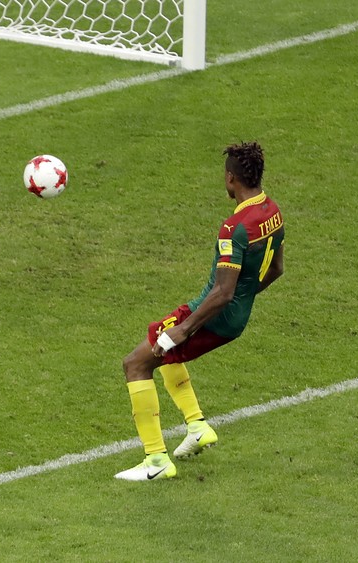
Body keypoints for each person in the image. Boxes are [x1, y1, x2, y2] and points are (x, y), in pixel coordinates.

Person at [115, 141, 284, 481]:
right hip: (235, 315)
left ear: (231, 178)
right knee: (158, 338)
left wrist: (184, 329)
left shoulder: (233, 228)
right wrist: (245, 297)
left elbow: (222, 292)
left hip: (215, 315)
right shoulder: (273, 211)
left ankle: (156, 460)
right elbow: (276, 269)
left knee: (137, 362)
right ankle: (196, 425)